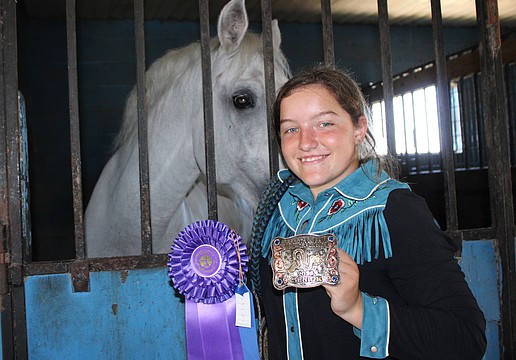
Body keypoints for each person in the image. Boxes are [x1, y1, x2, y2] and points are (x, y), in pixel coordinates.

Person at [249, 65, 486, 359]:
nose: (306, 142)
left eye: (324, 124)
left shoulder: (394, 209)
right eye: (291, 129)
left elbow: (465, 339)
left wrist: (357, 308)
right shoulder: (276, 207)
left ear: (359, 128)